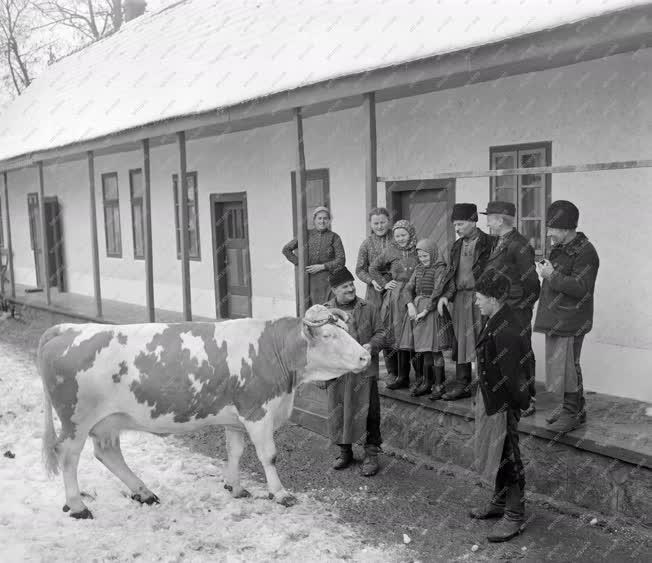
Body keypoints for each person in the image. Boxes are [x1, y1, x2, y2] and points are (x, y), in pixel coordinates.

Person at [469, 269, 530, 543]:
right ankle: (499, 502)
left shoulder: (506, 329)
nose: (476, 302)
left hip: (503, 404)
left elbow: (516, 375)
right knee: (497, 454)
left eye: (480, 297)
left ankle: (515, 515)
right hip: (492, 398)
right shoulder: (495, 317)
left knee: (509, 455)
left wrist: (516, 406)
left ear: (494, 298)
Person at [534, 200, 599, 434]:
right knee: (563, 365)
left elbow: (582, 288)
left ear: (565, 227)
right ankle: (574, 408)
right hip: (556, 316)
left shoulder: (586, 252)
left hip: (572, 319)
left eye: (552, 229)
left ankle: (572, 413)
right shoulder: (561, 247)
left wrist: (552, 275)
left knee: (569, 366)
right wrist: (547, 272)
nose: (549, 234)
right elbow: (558, 277)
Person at [322, 266, 386, 476]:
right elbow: (316, 341)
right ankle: (345, 451)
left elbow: (383, 333)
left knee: (370, 413)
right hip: (338, 372)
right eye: (344, 286)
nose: (350, 289)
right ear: (334, 290)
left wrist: (372, 345)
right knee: (340, 412)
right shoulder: (325, 312)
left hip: (365, 371)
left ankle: (371, 454)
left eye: (351, 284)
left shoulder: (369, 307)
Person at [482, 201, 540, 416]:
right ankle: (510, 395)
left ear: (499, 220)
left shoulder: (519, 244)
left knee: (522, 353)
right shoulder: (499, 241)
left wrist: (522, 307)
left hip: (516, 310)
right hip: (502, 308)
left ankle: (528, 399)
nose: (487, 222)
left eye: (489, 218)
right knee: (505, 355)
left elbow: (532, 283)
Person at [438, 203, 495, 400]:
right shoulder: (456, 246)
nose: (457, 228)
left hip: (482, 298)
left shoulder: (490, 243)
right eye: (455, 224)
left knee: (483, 340)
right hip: (460, 299)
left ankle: (484, 385)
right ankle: (462, 383)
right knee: (461, 341)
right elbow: (451, 276)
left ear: (473, 222)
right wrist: (446, 296)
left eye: (461, 224)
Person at [369, 220, 419, 390]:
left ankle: (421, 377)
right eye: (397, 235)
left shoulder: (418, 249)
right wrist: (384, 283)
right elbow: (373, 268)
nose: (400, 239)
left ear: (410, 234)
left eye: (403, 235)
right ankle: (402, 376)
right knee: (398, 336)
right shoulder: (390, 250)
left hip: (415, 294)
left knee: (416, 335)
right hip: (396, 297)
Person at [404, 238, 454, 397]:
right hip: (418, 309)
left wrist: (425, 311)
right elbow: (408, 288)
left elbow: (437, 291)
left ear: (432, 254)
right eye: (420, 256)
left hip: (432, 313)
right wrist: (410, 304)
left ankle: (439, 385)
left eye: (426, 256)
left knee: (435, 350)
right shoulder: (418, 269)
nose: (423, 259)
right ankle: (427, 382)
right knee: (424, 350)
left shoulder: (440, 268)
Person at [355, 207, 397, 380]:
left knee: (393, 326)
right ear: (371, 225)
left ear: (389, 221)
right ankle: (372, 371)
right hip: (375, 291)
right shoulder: (366, 243)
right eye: (376, 223)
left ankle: (396, 371)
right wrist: (372, 281)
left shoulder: (397, 239)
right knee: (377, 328)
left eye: (382, 222)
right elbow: (359, 269)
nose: (379, 226)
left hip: (394, 288)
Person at [282, 206, 345, 307]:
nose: (322, 221)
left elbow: (341, 260)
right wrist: (301, 264)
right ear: (314, 220)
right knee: (309, 310)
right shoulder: (305, 235)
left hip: (328, 281)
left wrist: (322, 266)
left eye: (325, 218)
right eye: (319, 218)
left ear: (329, 220)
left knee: (328, 310)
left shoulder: (334, 237)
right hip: (308, 280)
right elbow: (286, 249)